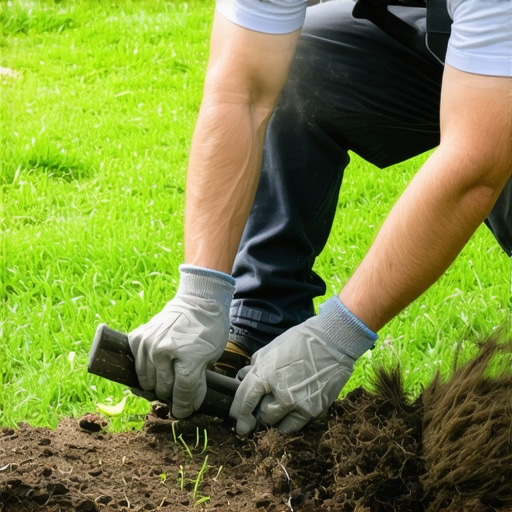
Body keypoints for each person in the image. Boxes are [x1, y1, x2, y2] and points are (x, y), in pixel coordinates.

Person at [127, 0, 512, 437]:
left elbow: (477, 162)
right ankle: (258, 325)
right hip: (448, 30)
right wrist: (200, 292)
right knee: (302, 58)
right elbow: (243, 88)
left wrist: (336, 337)